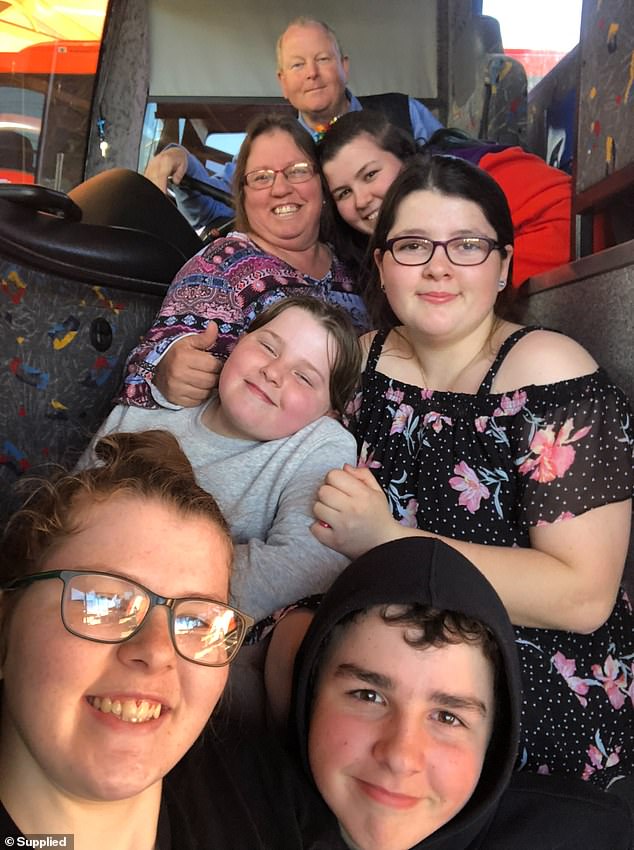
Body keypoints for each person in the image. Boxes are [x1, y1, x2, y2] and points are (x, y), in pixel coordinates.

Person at [309, 154, 634, 786]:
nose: (438, 267)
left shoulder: (549, 372)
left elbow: (583, 595)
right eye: (411, 245)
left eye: (467, 245)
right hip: (373, 664)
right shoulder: (351, 364)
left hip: (526, 673)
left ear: (504, 263)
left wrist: (389, 542)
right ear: (380, 263)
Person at [0, 429, 271, 848]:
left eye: (199, 622)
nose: (158, 651)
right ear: (5, 624)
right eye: (104, 602)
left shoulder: (270, 804)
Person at [286, 537, 632, 850]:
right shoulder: (240, 810)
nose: (401, 757)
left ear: (493, 739)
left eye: (448, 717)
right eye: (368, 696)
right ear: (310, 693)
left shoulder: (591, 837)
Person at [83, 298, 359, 622]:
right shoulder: (154, 400)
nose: (273, 372)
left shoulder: (321, 443)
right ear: (238, 344)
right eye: (268, 347)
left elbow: (306, 563)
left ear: (327, 412)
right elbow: (67, 509)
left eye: (304, 377)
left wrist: (145, 594)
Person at [118, 114, 369, 410]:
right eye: (261, 177)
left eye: (298, 171)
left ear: (322, 187)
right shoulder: (220, 265)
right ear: (243, 196)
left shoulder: (354, 265)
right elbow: (142, 365)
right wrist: (164, 369)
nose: (280, 189)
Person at [145, 16, 442, 231]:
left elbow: (456, 179)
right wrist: (179, 158)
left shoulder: (404, 112)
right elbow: (216, 208)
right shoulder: (277, 147)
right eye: (297, 65)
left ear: (344, 66)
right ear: (282, 83)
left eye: (323, 59)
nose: (312, 73)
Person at [318, 110, 572, 286]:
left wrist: (479, 283)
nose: (361, 200)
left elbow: (574, 217)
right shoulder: (366, 258)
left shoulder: (478, 169)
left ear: (405, 159)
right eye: (344, 193)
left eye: (370, 175)